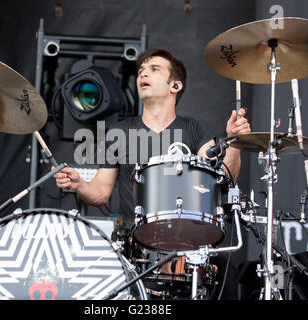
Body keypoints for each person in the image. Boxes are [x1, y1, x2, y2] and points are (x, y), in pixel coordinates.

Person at [52, 48, 251, 299]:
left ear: (175, 85)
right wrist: (79, 183)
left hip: (187, 248)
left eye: (154, 69)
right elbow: (101, 192)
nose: (143, 73)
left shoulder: (193, 130)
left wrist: (234, 143)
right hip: (132, 249)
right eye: (141, 70)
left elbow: (223, 174)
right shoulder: (119, 132)